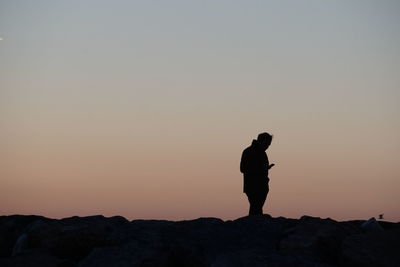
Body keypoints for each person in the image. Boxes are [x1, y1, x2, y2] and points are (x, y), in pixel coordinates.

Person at [240, 132, 274, 216]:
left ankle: (253, 224)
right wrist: (261, 169)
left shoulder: (262, 153)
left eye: (269, 145)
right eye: (266, 144)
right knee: (256, 208)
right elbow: (243, 168)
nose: (267, 147)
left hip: (262, 185)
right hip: (252, 186)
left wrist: (266, 169)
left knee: (256, 209)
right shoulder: (248, 151)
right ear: (260, 141)